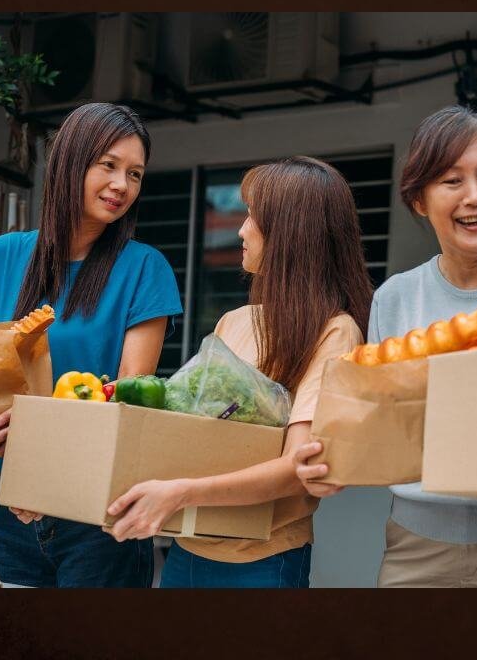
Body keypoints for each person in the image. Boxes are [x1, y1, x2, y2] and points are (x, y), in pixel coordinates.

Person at [294, 106, 477, 588]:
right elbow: (378, 426)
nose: (474, 196)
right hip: (416, 547)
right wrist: (326, 457)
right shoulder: (393, 298)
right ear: (418, 200)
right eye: (451, 181)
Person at [103, 156, 372, 588]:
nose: (241, 230)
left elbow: (294, 470)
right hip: (187, 548)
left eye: (253, 217)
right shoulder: (234, 321)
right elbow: (191, 427)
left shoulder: (335, 332)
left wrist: (179, 492)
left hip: (262, 561)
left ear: (290, 234)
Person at [0, 102, 184, 587]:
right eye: (109, 165)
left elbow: (126, 403)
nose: (123, 185)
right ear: (70, 162)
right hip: (8, 503)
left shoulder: (144, 269)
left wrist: (42, 456)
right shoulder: (1, 257)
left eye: (136, 174)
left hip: (101, 508)